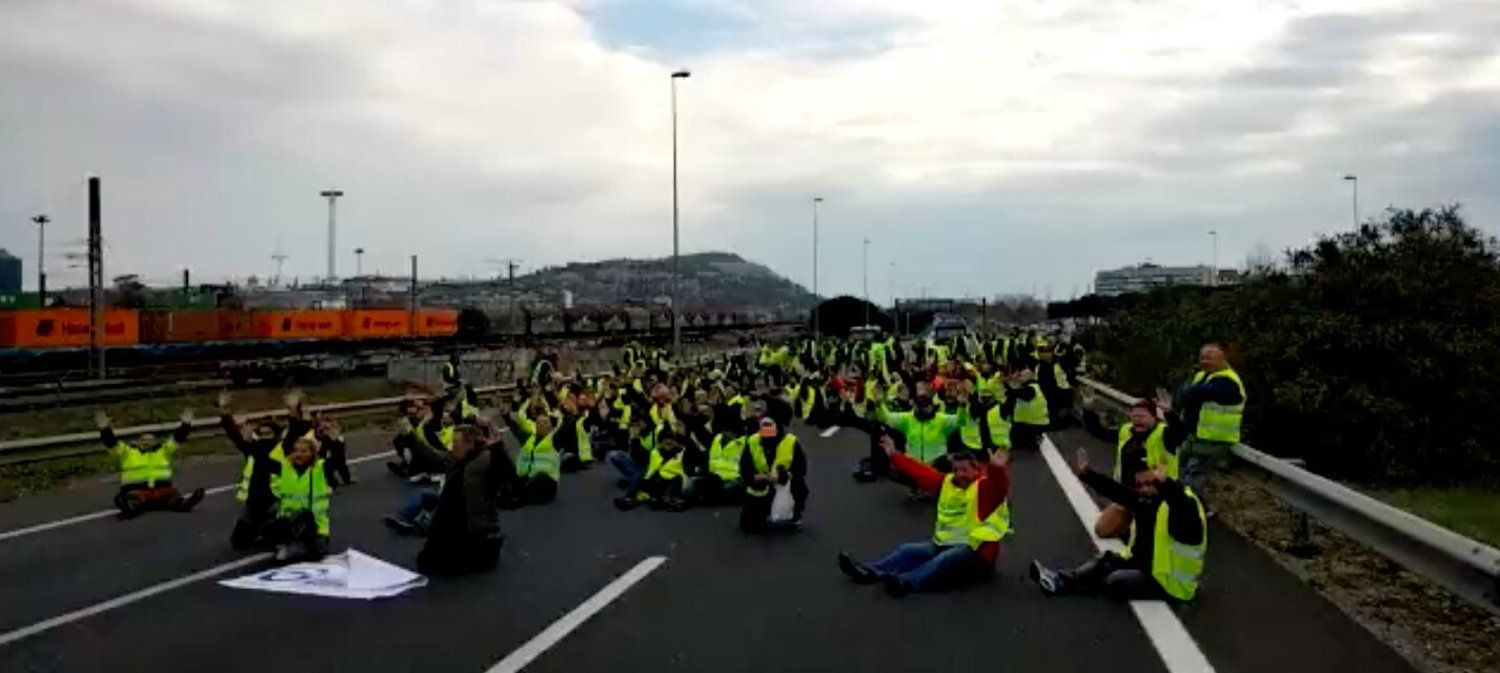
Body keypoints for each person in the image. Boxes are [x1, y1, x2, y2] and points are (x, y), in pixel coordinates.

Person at [1029, 448, 1207, 602]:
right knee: (1104, 560)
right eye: (1139, 485)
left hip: (1170, 584)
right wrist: (1087, 475)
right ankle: (1058, 580)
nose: (1143, 489)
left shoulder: (1184, 505)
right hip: (1145, 564)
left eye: (1149, 483)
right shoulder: (1150, 499)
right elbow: (1119, 492)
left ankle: (1078, 585)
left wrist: (1165, 484)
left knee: (1115, 582)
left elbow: (1183, 509)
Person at [840, 441, 1012, 596]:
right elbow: (920, 472)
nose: (960, 474)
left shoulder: (983, 488)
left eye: (965, 470)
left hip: (978, 554)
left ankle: (906, 581)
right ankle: (870, 571)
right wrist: (894, 454)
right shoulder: (946, 482)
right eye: (956, 470)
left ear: (976, 469)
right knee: (907, 550)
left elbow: (999, 487)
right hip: (944, 545)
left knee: (944, 559)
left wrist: (996, 468)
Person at [221, 391, 311, 551]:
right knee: (238, 542)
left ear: (275, 435)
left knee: (275, 534)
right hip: (255, 502)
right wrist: (225, 410)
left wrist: (293, 408)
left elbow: (296, 429)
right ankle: (258, 529)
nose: (264, 437)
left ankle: (291, 531)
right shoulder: (252, 448)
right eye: (261, 434)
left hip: (276, 502)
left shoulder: (283, 448)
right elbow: (233, 434)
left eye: (268, 433)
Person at [416, 423, 506, 575]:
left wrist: (498, 448)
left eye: (456, 443)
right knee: (426, 560)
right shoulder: (456, 461)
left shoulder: (484, 461)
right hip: (458, 523)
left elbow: (505, 474)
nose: (452, 446)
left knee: (434, 565)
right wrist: (411, 436)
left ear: (469, 444)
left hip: (475, 530)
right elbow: (433, 455)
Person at [95, 410, 205, 518]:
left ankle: (185, 503)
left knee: (172, 496)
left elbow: (178, 439)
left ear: (155, 441)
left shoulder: (164, 451)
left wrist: (186, 425)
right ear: (138, 441)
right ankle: (129, 506)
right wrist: (105, 429)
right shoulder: (127, 452)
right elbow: (112, 443)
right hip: (137, 490)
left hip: (161, 490)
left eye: (150, 440)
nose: (146, 442)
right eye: (143, 440)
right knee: (132, 499)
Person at [1171, 342, 1246, 498]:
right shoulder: (1202, 376)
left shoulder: (1228, 381)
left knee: (1192, 479)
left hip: (1212, 439)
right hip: (1194, 435)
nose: (1205, 360)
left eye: (1210, 357)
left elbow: (1198, 393)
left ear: (1222, 358)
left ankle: (1190, 513)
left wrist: (1189, 391)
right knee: (1176, 471)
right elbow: (1184, 397)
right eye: (1202, 357)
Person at [739, 400, 807, 533]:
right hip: (759, 487)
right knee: (749, 526)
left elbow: (800, 469)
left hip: (782, 487)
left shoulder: (790, 442)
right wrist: (755, 478)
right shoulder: (753, 441)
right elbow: (744, 468)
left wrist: (782, 476)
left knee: (799, 486)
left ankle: (793, 514)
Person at [266, 433, 331, 563]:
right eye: (295, 451)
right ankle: (286, 544)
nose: (298, 455)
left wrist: (335, 442)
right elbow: (260, 457)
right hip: (290, 520)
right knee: (270, 524)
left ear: (312, 453)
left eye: (303, 451)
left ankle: (301, 546)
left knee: (317, 554)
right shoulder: (283, 467)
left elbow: (337, 460)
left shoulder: (320, 468)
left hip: (315, 524)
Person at [495, 401, 561, 508]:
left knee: (542, 477)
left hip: (546, 484)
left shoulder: (554, 440)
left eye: (545, 422)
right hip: (526, 479)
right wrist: (506, 416)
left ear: (551, 427)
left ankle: (517, 499)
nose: (541, 425)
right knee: (506, 462)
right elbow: (516, 430)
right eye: (538, 422)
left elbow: (564, 426)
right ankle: (512, 494)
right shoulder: (529, 439)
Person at [315, 415, 353, 487]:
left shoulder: (338, 436)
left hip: (335, 447)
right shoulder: (322, 435)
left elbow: (337, 437)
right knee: (328, 466)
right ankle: (332, 482)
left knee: (340, 463)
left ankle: (346, 479)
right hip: (327, 451)